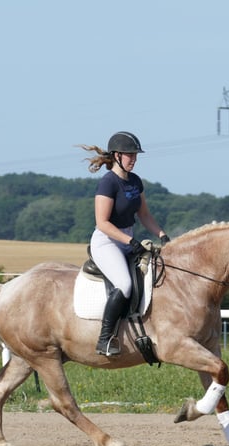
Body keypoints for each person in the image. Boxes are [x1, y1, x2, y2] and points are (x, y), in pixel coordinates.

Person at [80, 131, 170, 356]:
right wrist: (130, 241)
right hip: (107, 241)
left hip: (128, 240)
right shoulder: (108, 183)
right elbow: (102, 223)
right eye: (130, 155)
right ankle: (105, 339)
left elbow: (145, 215)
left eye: (135, 155)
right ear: (117, 156)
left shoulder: (135, 181)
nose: (134, 159)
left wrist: (162, 234)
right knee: (125, 284)